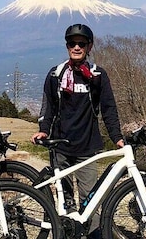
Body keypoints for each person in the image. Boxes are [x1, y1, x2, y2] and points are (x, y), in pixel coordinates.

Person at [31, 24, 124, 238]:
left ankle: (93, 235)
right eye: (72, 43)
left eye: (81, 43)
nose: (76, 47)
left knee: (90, 199)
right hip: (60, 146)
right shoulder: (56, 74)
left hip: (87, 146)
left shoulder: (97, 75)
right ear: (67, 46)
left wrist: (117, 137)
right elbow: (48, 106)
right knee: (65, 201)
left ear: (89, 46)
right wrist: (43, 131)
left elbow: (109, 108)